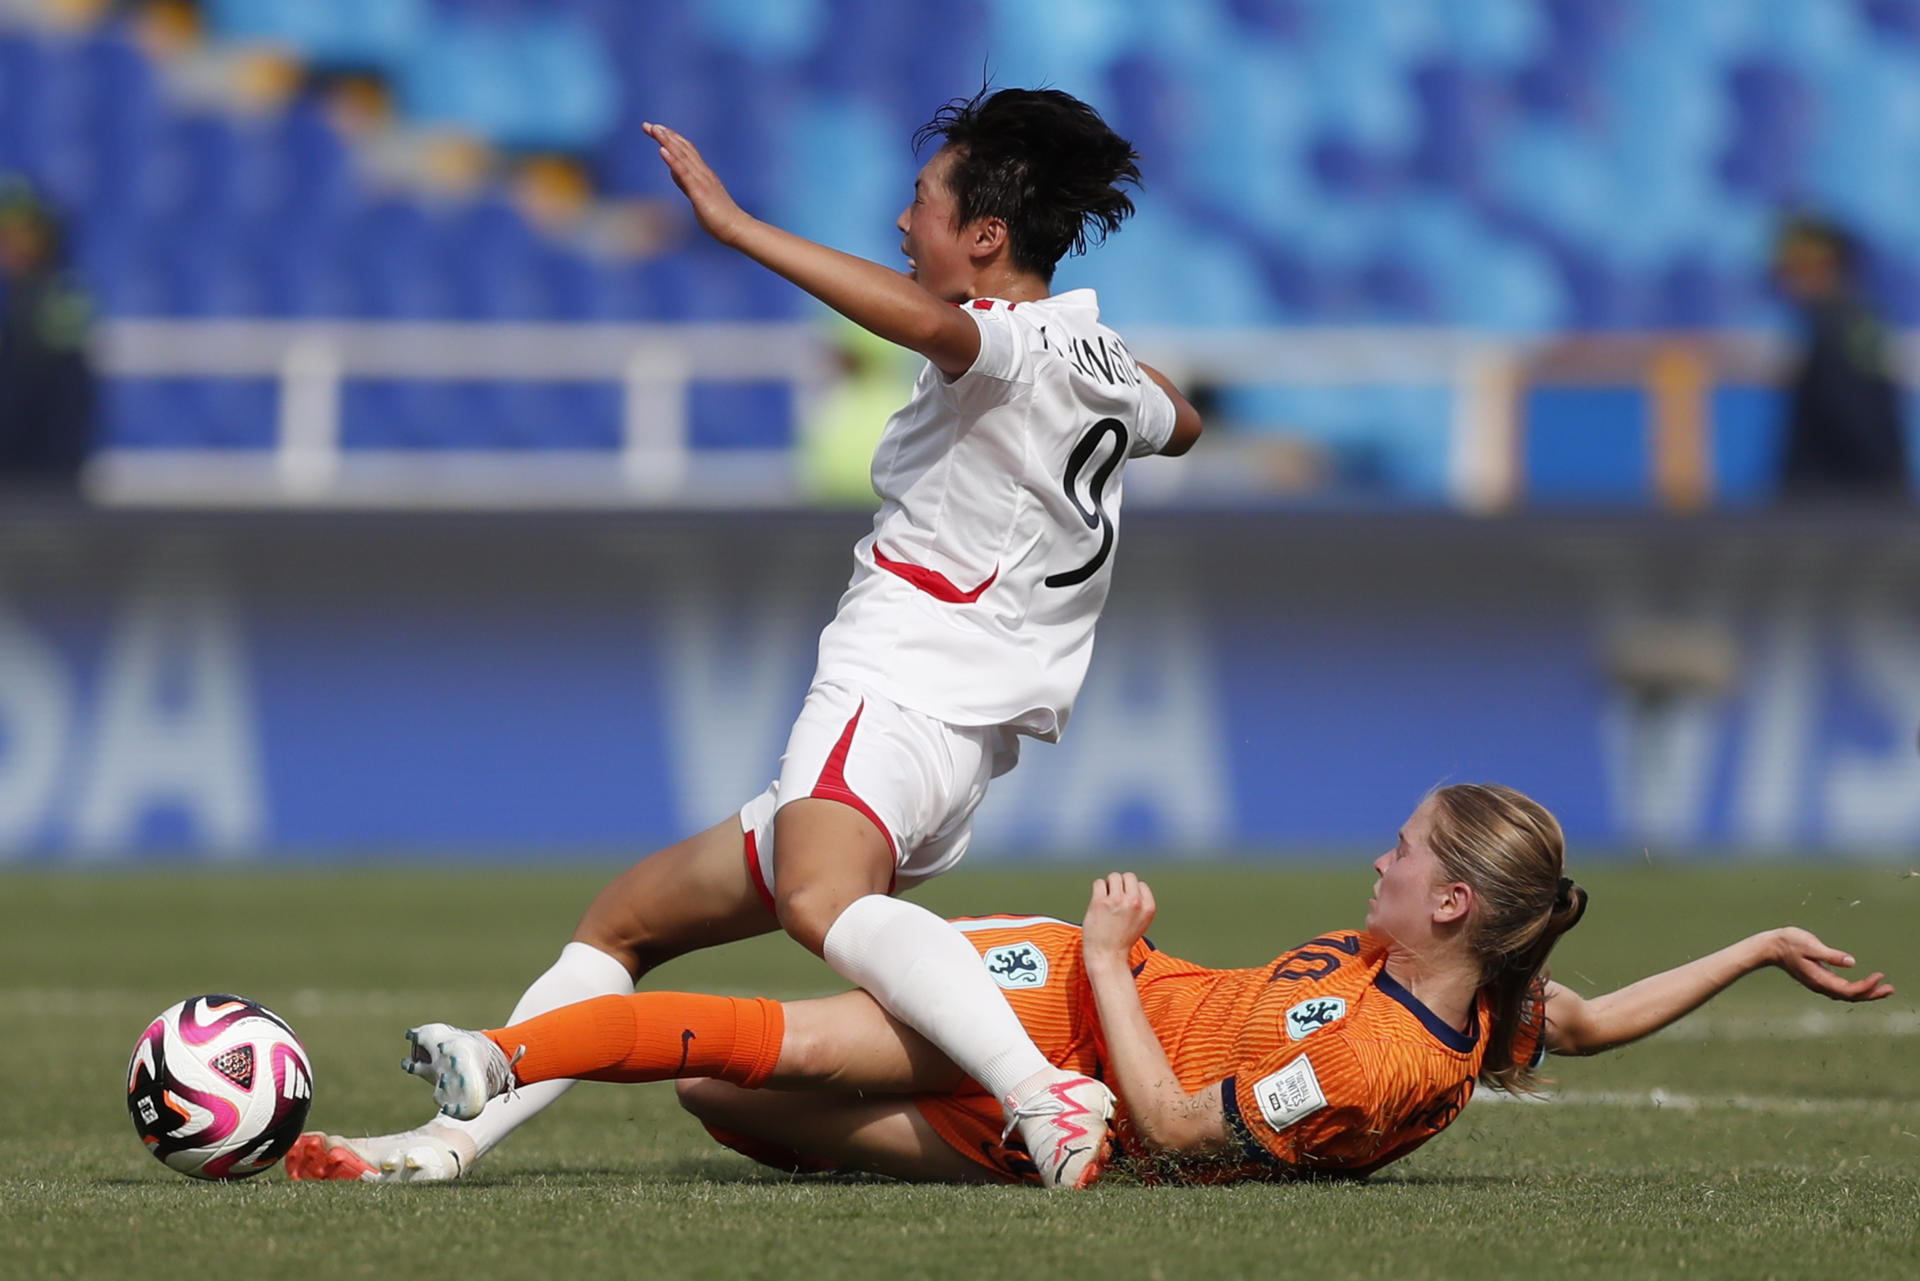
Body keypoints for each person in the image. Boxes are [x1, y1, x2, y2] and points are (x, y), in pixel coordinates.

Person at [290, 88, 1202, 1187]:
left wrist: (736, 227)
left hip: (899, 689)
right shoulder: (1094, 360)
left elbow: (937, 326)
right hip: (957, 735)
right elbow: (1181, 422)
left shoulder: (1002, 344)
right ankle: (446, 1146)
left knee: (825, 906)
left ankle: (1035, 1095)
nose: (902, 226)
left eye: (921, 205)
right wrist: (1108, 370)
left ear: (986, 238)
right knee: (625, 921)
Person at [364, 784, 1891, 1186]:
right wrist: (1754, 948)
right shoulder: (1467, 1000)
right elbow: (1594, 1019)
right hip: (1037, 1011)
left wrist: (1110, 950)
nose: (1374, 857)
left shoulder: (1373, 1061)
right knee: (755, 1051)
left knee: (725, 1099)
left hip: (1088, 1071)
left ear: (1449, 902)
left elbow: (1173, 1116)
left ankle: (515, 1059)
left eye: (1402, 848)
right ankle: (500, 1063)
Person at [1772, 216, 1911, 503]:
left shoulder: (1841, 325)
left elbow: (1861, 415)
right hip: (1854, 500)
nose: (1784, 278)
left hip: (1842, 504)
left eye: (1794, 268)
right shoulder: (1855, 320)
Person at [0, 179, 94, 490]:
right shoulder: (21, 296)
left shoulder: (59, 297)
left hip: (46, 478)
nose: (10, 248)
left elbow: (66, 399)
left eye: (21, 235)